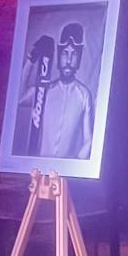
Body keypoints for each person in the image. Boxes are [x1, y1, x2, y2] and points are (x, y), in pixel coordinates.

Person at [18, 20, 94, 161]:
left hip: (67, 170)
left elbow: (89, 140)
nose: (69, 61)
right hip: (39, 168)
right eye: (65, 53)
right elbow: (20, 98)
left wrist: (74, 166)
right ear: (59, 54)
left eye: (74, 54)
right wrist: (31, 59)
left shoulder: (84, 95)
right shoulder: (45, 90)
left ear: (79, 57)